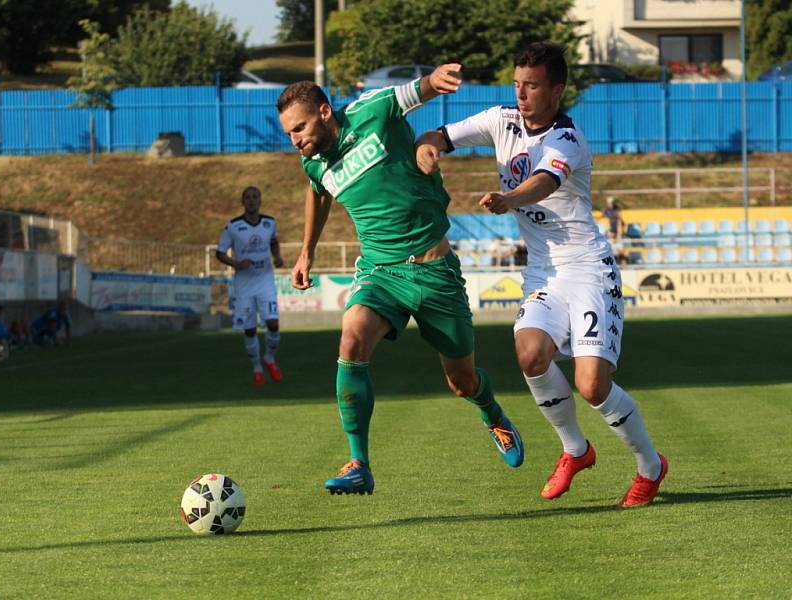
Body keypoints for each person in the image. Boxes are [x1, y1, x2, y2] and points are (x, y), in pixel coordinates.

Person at [415, 42, 667, 508]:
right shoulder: (500, 120)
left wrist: (510, 199)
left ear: (557, 88)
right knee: (530, 354)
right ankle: (576, 450)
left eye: (532, 85)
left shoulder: (567, 139)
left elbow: (545, 182)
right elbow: (438, 135)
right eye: (517, 84)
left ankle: (650, 467)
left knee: (592, 385)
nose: (522, 93)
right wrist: (427, 149)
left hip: (589, 269)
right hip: (543, 272)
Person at [276, 65, 524, 495]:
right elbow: (317, 192)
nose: (295, 139)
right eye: (289, 134)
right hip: (381, 271)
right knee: (351, 339)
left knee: (461, 381)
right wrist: (306, 250)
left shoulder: (372, 112)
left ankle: (492, 413)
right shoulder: (313, 162)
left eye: (299, 128)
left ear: (324, 111)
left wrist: (436, 79)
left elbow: (414, 93)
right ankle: (359, 463)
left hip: (435, 270)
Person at [216, 186, 284, 386]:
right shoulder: (233, 227)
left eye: (255, 197)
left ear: (260, 200)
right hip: (244, 283)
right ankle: (257, 368)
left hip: (265, 280)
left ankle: (270, 359)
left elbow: (274, 241)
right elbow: (219, 253)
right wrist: (236, 264)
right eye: (248, 197)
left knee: (273, 323)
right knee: (250, 328)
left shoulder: (269, 223)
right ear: (243, 201)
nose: (252, 200)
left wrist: (277, 256)